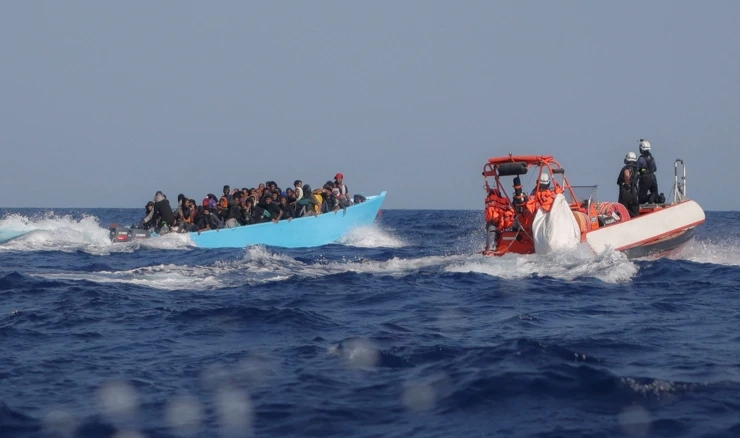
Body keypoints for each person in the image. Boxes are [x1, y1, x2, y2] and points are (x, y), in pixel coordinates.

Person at [617, 152, 640, 218]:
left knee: (622, 210)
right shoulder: (636, 169)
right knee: (635, 213)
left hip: (625, 191)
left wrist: (627, 184)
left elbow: (627, 175)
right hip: (634, 192)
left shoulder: (626, 168)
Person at [636, 139, 659, 204]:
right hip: (653, 177)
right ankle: (659, 198)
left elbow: (637, 169)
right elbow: (655, 169)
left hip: (645, 178)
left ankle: (649, 197)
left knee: (641, 199)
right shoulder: (652, 158)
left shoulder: (641, 159)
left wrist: (641, 171)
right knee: (655, 196)